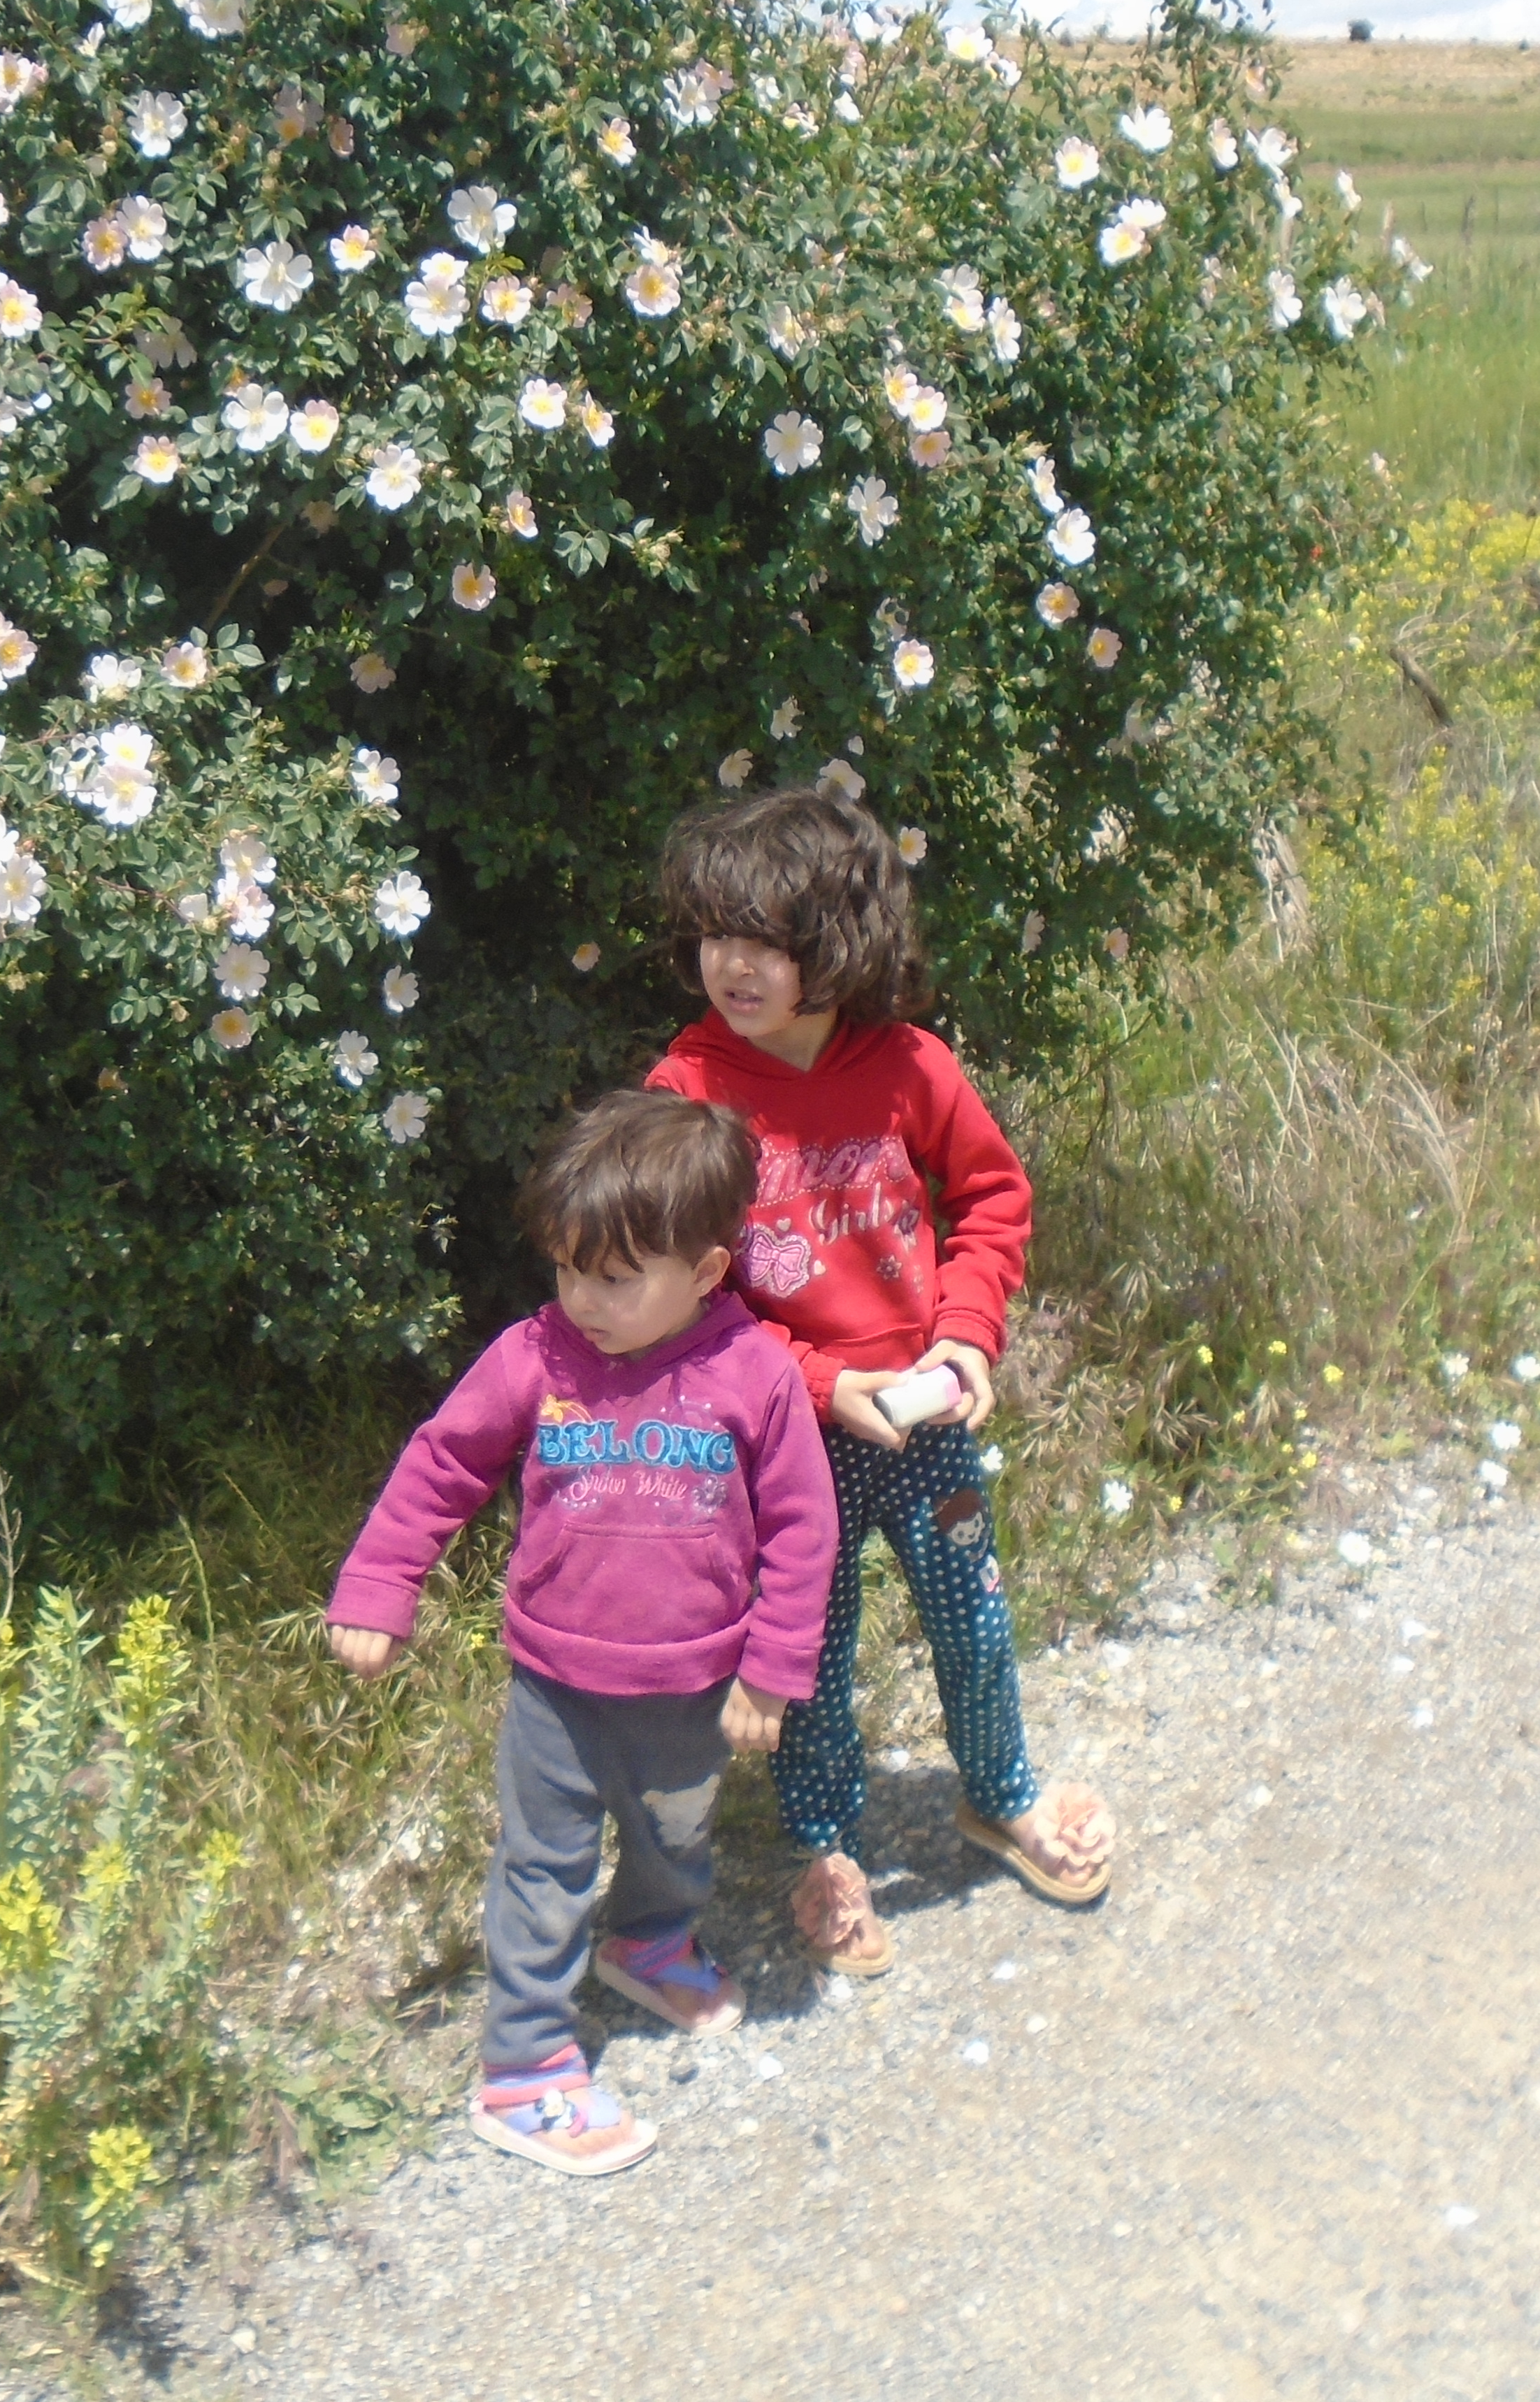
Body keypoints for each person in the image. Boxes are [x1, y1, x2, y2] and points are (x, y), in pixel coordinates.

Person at [647, 786, 1114, 1980]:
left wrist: (965, 1339)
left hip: (926, 1419)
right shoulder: (686, 1094)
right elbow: (683, 1298)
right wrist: (808, 1383)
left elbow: (993, 1201)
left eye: (766, 941)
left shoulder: (910, 1066)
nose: (732, 965)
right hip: (788, 1441)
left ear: (839, 942)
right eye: (714, 935)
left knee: (975, 1618)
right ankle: (825, 1848)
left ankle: (1000, 1794)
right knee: (809, 1651)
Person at [326, 1091, 837, 2176]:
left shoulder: (756, 1377)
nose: (583, 1300)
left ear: (704, 1274)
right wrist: (379, 1586)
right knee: (542, 1867)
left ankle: (646, 1944)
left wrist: (772, 1672)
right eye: (567, 1268)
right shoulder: (534, 1357)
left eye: (615, 1277)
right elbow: (443, 1464)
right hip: (555, 1685)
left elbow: (803, 1531)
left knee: (675, 1840)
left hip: (696, 1689)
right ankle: (523, 2070)